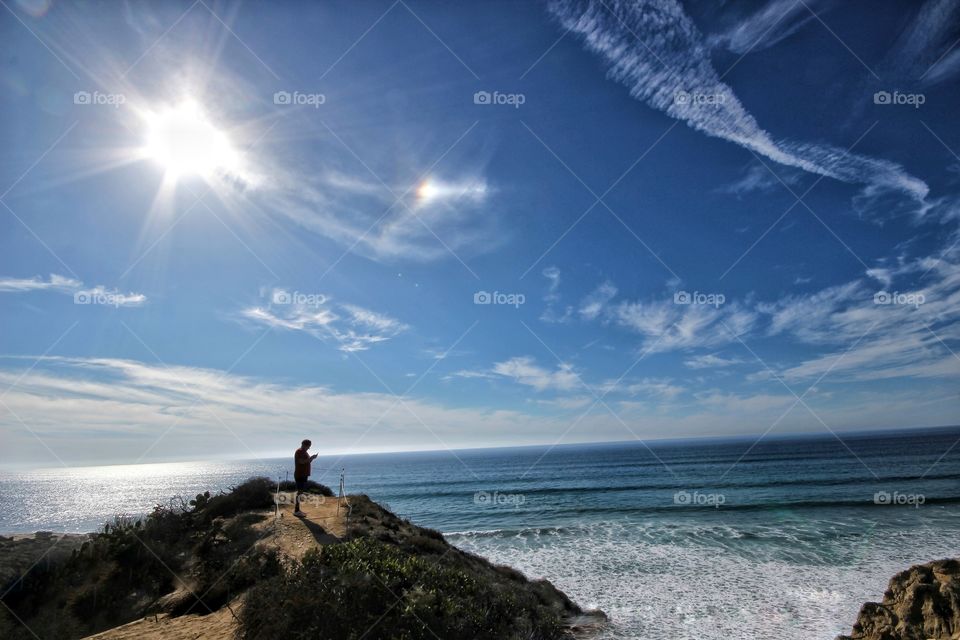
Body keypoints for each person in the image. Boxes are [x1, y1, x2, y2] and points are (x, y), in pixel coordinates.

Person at [293, 439, 318, 516]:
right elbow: (301, 462)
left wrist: (312, 458)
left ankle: (297, 510)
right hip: (300, 474)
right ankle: (296, 511)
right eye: (308, 446)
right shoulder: (299, 451)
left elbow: (307, 461)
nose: (309, 448)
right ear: (305, 445)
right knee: (299, 493)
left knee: (300, 492)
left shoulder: (304, 452)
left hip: (303, 474)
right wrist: (311, 458)